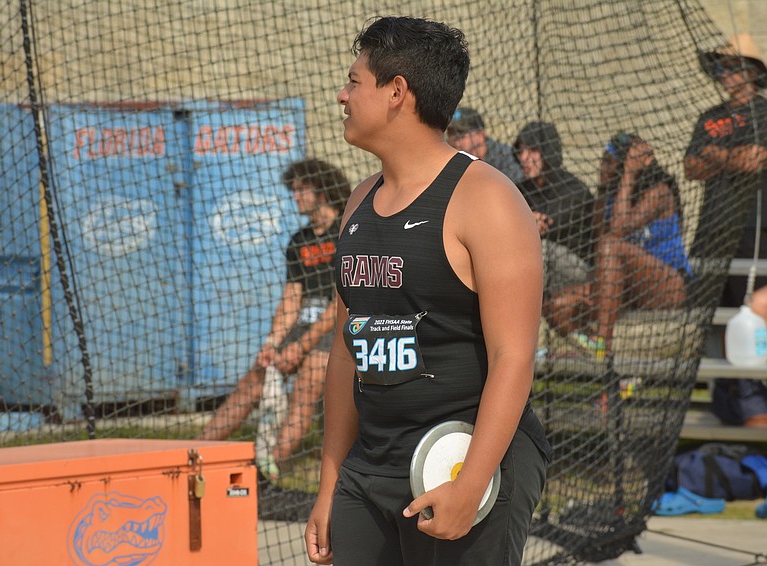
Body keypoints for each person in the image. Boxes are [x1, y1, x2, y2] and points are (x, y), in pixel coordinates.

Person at [304, 16, 551, 566]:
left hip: (461, 462)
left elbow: (514, 356)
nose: (341, 95)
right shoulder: (358, 202)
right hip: (370, 469)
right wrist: (329, 484)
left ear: (396, 92)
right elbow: (347, 348)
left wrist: (472, 482)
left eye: (353, 81)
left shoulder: (486, 198)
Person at [198, 158, 351, 480]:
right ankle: (194, 455)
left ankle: (266, 471)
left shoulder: (347, 230)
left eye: (300, 190)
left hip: (340, 327)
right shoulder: (299, 240)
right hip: (305, 326)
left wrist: (303, 346)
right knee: (258, 375)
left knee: (309, 380)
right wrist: (273, 343)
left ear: (321, 191)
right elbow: (291, 299)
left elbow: (341, 303)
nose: (294, 196)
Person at [684, 33, 767, 428]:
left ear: (751, 72)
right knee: (713, 316)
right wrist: (725, 158)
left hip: (754, 230)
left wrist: (718, 156)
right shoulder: (709, 117)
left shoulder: (763, 114)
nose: (725, 74)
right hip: (711, 229)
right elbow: (691, 167)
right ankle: (727, 398)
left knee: (747, 314)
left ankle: (752, 402)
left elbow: (754, 161)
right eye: (720, 67)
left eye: (731, 66)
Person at [547, 133, 692, 358]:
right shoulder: (605, 201)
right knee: (556, 306)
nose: (601, 167)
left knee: (610, 245)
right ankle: (593, 353)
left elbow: (618, 229)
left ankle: (602, 340)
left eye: (608, 162)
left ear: (624, 166)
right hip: (624, 289)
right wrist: (596, 289)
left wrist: (630, 174)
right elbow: (602, 251)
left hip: (667, 286)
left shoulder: (659, 192)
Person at [513, 121, 595, 297]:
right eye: (521, 151)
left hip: (578, 269)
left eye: (532, 150)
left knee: (540, 249)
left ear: (547, 152)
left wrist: (523, 224)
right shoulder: (521, 189)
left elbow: (545, 224)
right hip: (542, 270)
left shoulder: (573, 189)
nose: (523, 157)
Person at [446, 107, 524, 184]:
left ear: (480, 135)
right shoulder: (451, 161)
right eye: (451, 135)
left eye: (461, 136)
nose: (455, 143)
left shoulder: (504, 157)